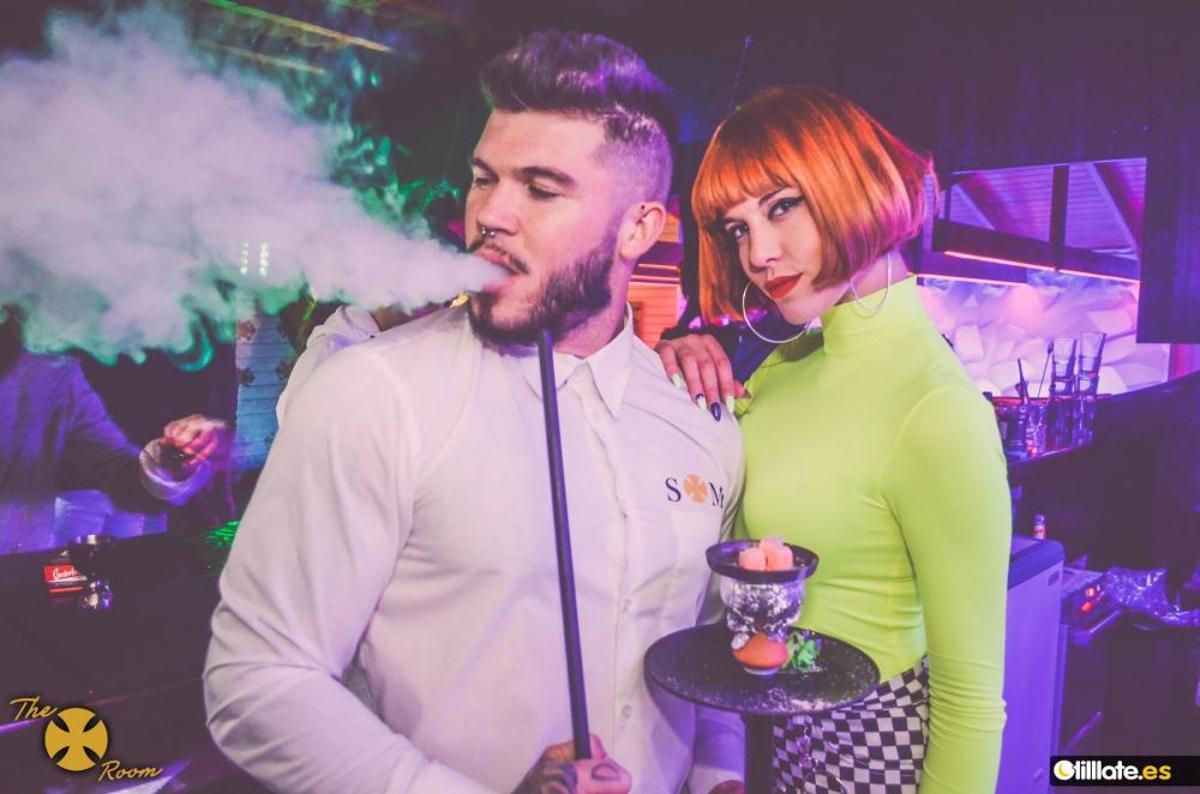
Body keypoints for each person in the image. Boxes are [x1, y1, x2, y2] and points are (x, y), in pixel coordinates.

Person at [204, 30, 744, 794]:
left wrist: (721, 775)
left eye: (541, 189)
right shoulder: (373, 394)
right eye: (483, 178)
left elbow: (709, 648)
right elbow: (257, 680)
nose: (491, 214)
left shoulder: (702, 418)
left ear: (639, 229)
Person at [656, 85, 1010, 793]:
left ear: (851, 185)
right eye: (736, 229)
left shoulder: (935, 407)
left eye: (782, 206)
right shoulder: (780, 369)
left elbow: (971, 700)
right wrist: (679, 365)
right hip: (769, 739)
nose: (759, 253)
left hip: (875, 753)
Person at [0, 309, 232, 554]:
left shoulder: (51, 372)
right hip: (68, 502)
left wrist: (174, 457)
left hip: (20, 561)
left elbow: (118, 470)